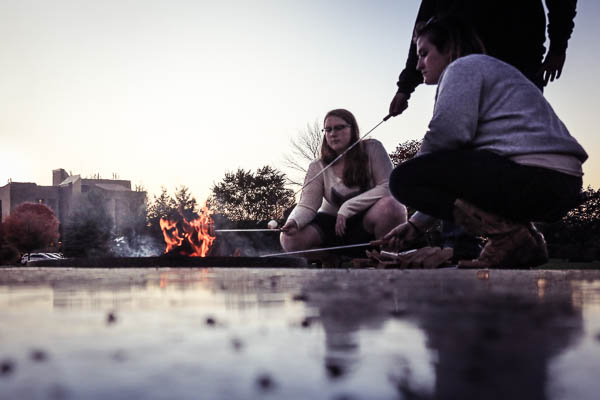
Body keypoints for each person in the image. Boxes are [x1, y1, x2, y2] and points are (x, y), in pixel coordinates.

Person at [376, 17, 587, 268]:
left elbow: (446, 135)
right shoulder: (486, 70)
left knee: (403, 178)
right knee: (439, 171)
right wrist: (415, 225)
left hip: (537, 177)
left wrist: (415, 180)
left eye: (424, 53)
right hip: (560, 183)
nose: (419, 64)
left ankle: (509, 236)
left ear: (450, 48)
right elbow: (459, 177)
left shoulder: (463, 67)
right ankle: (526, 240)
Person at [389, 0, 577, 118]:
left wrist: (558, 45)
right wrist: (405, 88)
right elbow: (424, 27)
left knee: (514, 130)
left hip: (515, 54)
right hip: (458, 60)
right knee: (459, 136)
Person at [280, 109, 407, 253]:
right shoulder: (317, 166)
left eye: (339, 127)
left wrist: (347, 207)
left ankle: (385, 258)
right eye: (328, 129)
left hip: (367, 224)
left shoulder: (372, 148)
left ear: (353, 129)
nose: (333, 133)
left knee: (392, 206)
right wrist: (294, 221)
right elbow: (307, 205)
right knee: (289, 239)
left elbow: (388, 187)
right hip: (330, 227)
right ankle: (329, 258)